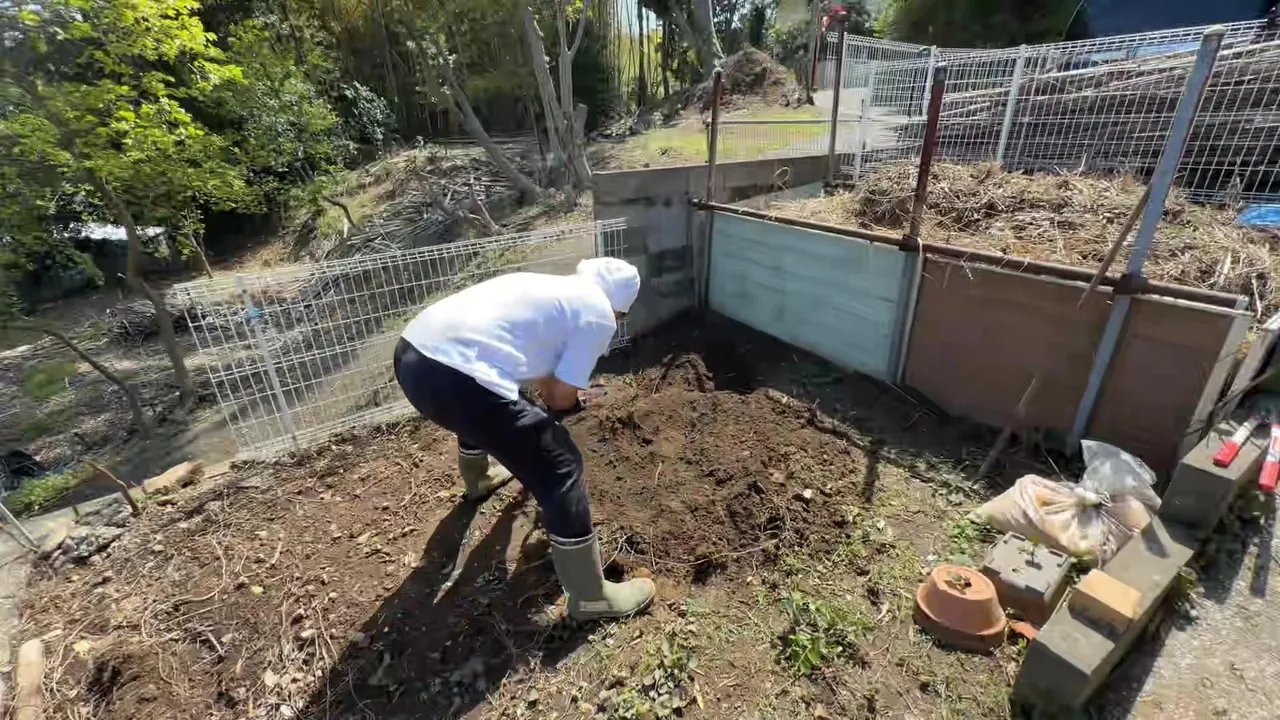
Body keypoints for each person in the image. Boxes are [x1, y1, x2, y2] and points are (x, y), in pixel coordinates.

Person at [392, 257, 656, 620]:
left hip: (414, 355)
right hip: (455, 373)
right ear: (618, 308)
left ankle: (479, 480)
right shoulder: (597, 315)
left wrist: (553, 402)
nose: (616, 323)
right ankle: (591, 597)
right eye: (621, 317)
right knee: (562, 465)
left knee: (487, 404)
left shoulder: (555, 292)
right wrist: (569, 405)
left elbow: (544, 382)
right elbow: (559, 398)